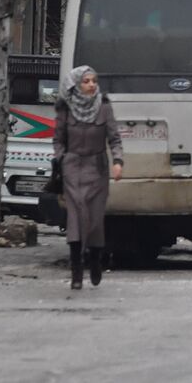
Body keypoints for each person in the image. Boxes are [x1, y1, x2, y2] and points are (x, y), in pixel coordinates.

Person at [53, 65, 123, 291]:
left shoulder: (103, 106)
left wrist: (118, 162)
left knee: (94, 220)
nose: (92, 84)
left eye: (94, 80)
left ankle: (95, 259)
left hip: (97, 168)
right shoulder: (65, 107)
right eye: (86, 81)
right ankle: (76, 270)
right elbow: (59, 138)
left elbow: (114, 138)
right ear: (76, 85)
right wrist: (61, 158)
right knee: (75, 217)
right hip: (72, 168)